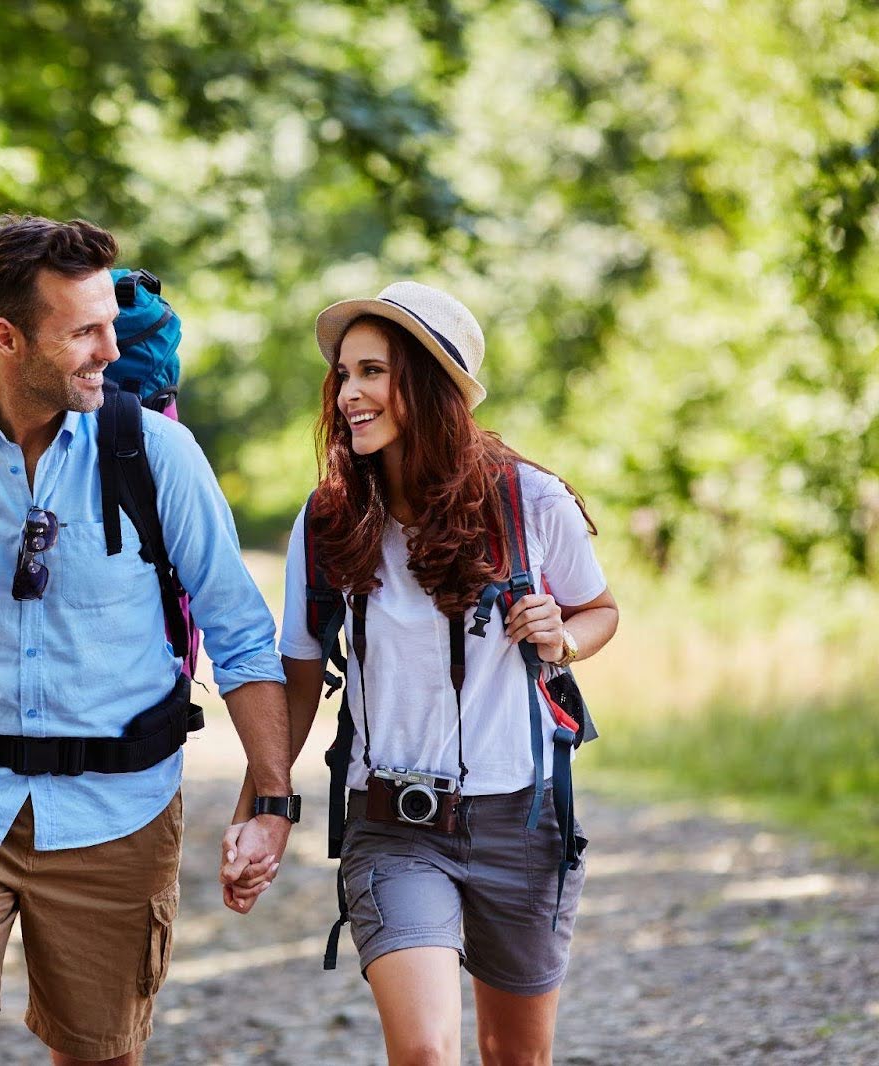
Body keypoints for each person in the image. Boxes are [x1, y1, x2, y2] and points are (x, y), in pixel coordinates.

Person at [0, 214, 298, 1066]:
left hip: (117, 813)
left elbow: (242, 636)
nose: (107, 348)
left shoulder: (156, 452)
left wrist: (270, 799)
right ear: (6, 337)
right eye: (83, 331)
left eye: (112, 325)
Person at [221, 281, 619, 1065]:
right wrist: (262, 808)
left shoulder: (530, 501)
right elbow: (298, 675)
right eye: (344, 373)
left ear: (430, 386)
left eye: (374, 372)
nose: (349, 394)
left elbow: (601, 610)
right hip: (394, 824)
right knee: (428, 1051)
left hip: (524, 821)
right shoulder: (330, 517)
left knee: (516, 1056)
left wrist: (562, 637)